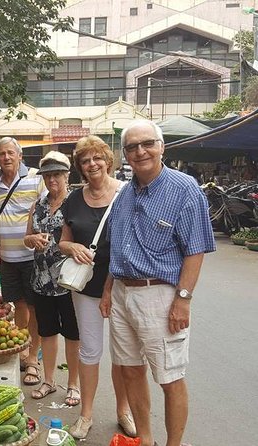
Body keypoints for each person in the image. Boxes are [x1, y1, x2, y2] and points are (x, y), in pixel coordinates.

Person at [102, 120, 216, 446]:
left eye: (147, 143)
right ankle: (147, 439)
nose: (140, 151)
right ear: (125, 154)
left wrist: (183, 299)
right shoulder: (123, 195)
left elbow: (195, 250)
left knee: (170, 378)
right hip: (123, 292)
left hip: (161, 296)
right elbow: (119, 248)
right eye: (132, 147)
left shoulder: (184, 189)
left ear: (161, 146)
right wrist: (109, 290)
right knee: (129, 370)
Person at [58, 135, 135, 440]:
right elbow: (62, 240)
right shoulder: (74, 199)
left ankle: (124, 411)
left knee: (124, 353)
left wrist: (109, 288)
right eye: (85, 161)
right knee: (89, 351)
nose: (92, 165)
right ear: (79, 167)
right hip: (85, 287)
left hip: (121, 285)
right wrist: (71, 247)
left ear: (108, 160)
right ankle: (86, 415)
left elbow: (129, 244)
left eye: (96, 158)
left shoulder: (127, 194)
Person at [0, 137, 44, 385]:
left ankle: (33, 360)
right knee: (18, 304)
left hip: (33, 257)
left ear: (19, 156)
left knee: (35, 307)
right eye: (1, 154)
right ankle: (22, 348)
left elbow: (50, 210)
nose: (6, 158)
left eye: (10, 153)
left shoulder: (36, 179)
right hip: (8, 258)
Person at [23, 151, 80, 406]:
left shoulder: (77, 203)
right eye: (47, 175)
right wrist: (32, 240)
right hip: (42, 280)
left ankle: (73, 385)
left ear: (66, 175)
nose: (52, 180)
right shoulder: (38, 205)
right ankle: (49, 380)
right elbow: (26, 238)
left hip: (69, 282)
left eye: (57, 174)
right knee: (46, 332)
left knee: (72, 334)